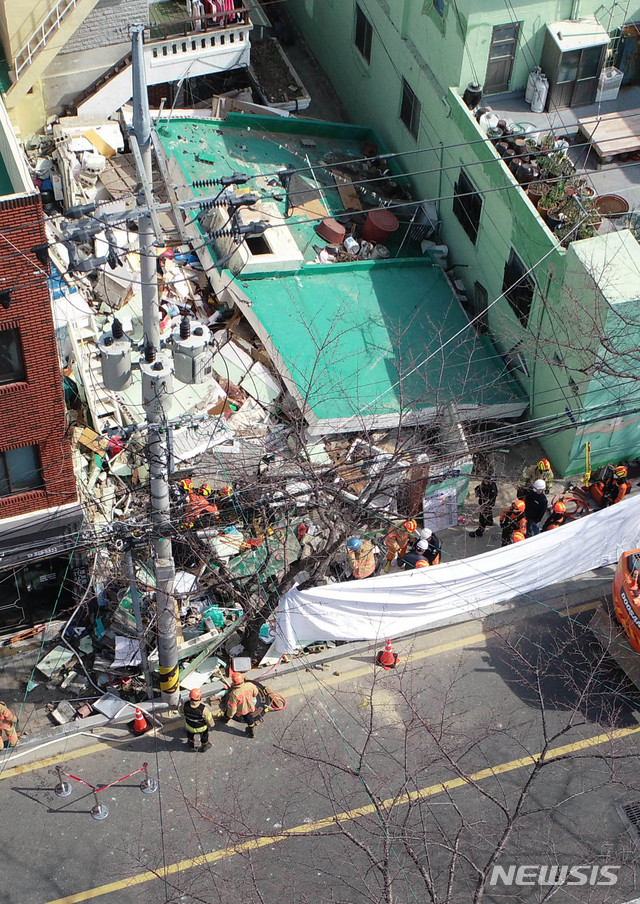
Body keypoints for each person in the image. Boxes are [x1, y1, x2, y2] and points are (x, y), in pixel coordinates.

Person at [219, 673, 261, 738]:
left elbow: (232, 708)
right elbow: (255, 693)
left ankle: (225, 719)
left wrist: (229, 715)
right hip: (250, 707)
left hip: (242, 710)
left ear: (233, 682)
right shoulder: (250, 685)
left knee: (228, 713)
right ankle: (251, 731)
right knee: (249, 718)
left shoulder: (234, 694)